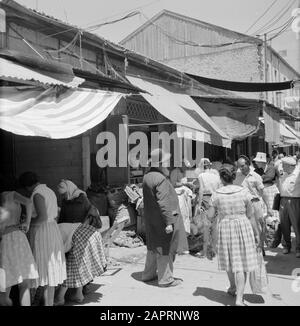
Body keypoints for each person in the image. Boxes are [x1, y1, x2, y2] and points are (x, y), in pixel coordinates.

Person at [207, 166, 260, 306]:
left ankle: (232, 287)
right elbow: (251, 215)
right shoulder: (244, 192)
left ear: (222, 179)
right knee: (241, 264)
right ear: (234, 177)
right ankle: (238, 299)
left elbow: (210, 216)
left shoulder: (216, 194)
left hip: (225, 227)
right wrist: (256, 234)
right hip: (243, 226)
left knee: (230, 260)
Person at [54, 180, 107, 305]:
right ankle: (78, 294)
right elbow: (63, 218)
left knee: (73, 266)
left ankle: (61, 297)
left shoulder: (82, 199)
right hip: (77, 233)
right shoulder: (66, 201)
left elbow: (86, 217)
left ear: (69, 190)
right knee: (78, 265)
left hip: (80, 234)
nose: (63, 196)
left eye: (64, 193)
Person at [18, 172, 66, 306]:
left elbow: (42, 217)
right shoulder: (49, 190)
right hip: (51, 230)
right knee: (49, 272)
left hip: (43, 232)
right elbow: (53, 215)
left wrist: (27, 222)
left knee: (44, 271)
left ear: (27, 186)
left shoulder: (38, 194)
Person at [142, 148, 188, 287]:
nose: (168, 163)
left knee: (153, 246)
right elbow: (163, 202)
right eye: (166, 161)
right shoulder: (160, 178)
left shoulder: (147, 176)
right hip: (163, 219)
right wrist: (169, 222)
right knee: (165, 248)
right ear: (161, 163)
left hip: (151, 219)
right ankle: (166, 279)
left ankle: (148, 275)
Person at [0, 181, 39, 306]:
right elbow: (28, 202)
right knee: (24, 284)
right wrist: (26, 223)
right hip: (18, 238)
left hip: (4, 240)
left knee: (5, 287)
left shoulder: (4, 197)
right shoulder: (10, 194)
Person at [234, 156, 273, 256]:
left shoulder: (256, 176)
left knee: (258, 227)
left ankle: (260, 246)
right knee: (245, 227)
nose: (240, 168)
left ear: (248, 164)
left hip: (255, 203)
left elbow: (263, 192)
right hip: (241, 205)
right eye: (239, 166)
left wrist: (268, 207)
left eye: (242, 166)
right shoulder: (237, 176)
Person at [196, 158, 222, 256]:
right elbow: (219, 189)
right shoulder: (216, 176)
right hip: (215, 200)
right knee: (215, 226)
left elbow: (201, 190)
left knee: (206, 227)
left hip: (206, 200)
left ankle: (204, 250)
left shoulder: (201, 176)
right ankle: (214, 250)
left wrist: (199, 205)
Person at [278, 156, 300, 258]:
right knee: (284, 224)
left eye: (284, 165)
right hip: (283, 200)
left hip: (295, 201)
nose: (282, 167)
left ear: (290, 166)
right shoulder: (283, 174)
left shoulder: (298, 175)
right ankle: (286, 245)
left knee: (297, 225)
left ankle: (298, 248)